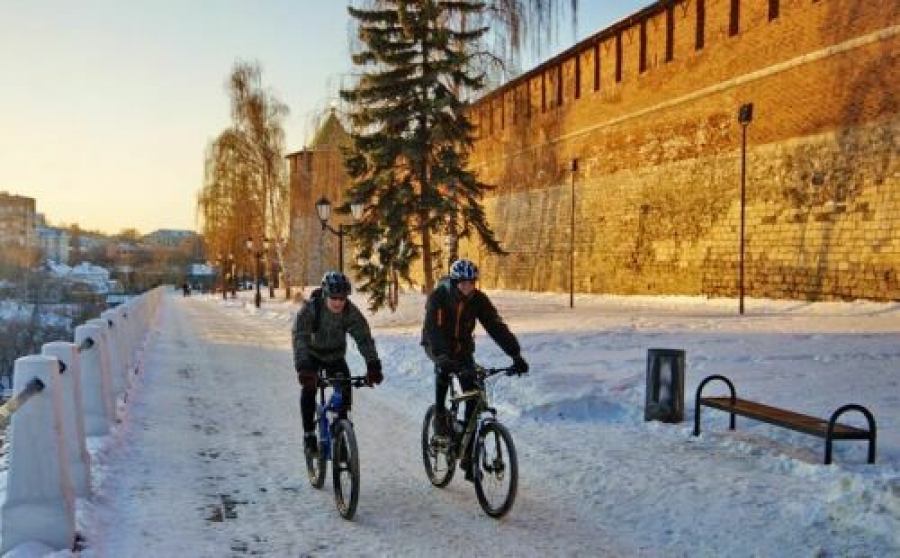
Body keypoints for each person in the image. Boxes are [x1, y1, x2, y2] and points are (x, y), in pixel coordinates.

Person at [421, 258, 528, 443]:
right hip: (436, 344)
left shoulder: (478, 300)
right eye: (463, 282)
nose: (468, 287)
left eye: (471, 283)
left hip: (463, 348)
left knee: (473, 388)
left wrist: (515, 354)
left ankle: (466, 439)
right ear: (455, 282)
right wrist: (442, 355)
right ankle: (439, 416)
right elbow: (433, 329)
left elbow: (496, 327)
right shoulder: (438, 296)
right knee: (444, 370)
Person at [292, 271, 383, 455]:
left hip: (335, 356)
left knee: (345, 387)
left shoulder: (350, 311)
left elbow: (363, 338)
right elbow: (300, 337)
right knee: (309, 390)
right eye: (334, 298)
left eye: (342, 298)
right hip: (312, 356)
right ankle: (309, 434)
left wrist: (373, 365)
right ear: (325, 294)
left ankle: (342, 431)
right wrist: (303, 368)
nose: (338, 303)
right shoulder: (311, 309)